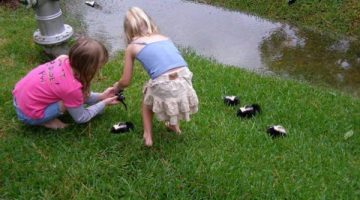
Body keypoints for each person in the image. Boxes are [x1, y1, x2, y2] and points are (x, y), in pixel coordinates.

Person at [113, 7, 199, 146]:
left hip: (164, 81)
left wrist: (116, 87)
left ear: (127, 31)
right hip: (185, 78)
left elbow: (126, 81)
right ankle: (174, 126)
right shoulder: (165, 38)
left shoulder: (132, 47)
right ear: (149, 23)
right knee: (173, 98)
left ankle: (148, 136)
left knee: (147, 100)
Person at [12, 37, 119, 129]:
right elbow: (81, 117)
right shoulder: (71, 89)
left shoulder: (63, 59)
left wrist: (102, 96)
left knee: (68, 97)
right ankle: (45, 120)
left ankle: (41, 111)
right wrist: (104, 103)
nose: (99, 70)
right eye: (99, 67)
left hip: (19, 98)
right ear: (89, 68)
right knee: (66, 101)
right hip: (27, 114)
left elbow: (80, 95)